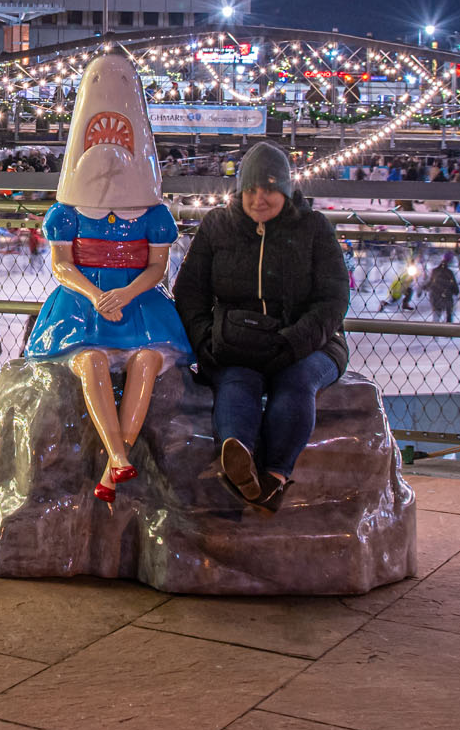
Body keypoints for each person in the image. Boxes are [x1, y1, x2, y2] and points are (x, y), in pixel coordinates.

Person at [22, 52, 188, 505]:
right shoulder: (66, 213)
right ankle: (118, 457)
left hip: (136, 300)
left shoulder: (153, 215)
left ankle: (115, 467)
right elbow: (61, 265)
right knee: (90, 361)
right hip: (83, 304)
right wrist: (97, 295)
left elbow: (156, 267)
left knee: (147, 362)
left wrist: (124, 292)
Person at [174, 142, 349, 510]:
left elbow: (333, 299)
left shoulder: (313, 228)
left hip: (308, 343)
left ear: (285, 190)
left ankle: (274, 476)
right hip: (236, 339)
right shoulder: (218, 225)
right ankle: (238, 456)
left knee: (296, 380)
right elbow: (190, 291)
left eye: (268, 188)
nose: (259, 198)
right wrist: (206, 339)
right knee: (236, 380)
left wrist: (294, 342)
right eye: (251, 189)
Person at [427, 253, 459, 323]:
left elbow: (430, 283)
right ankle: (447, 327)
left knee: (436, 314)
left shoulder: (435, 271)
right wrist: (456, 292)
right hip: (447, 297)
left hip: (435, 296)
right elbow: (455, 288)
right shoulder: (450, 272)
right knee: (448, 313)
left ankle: (435, 328)